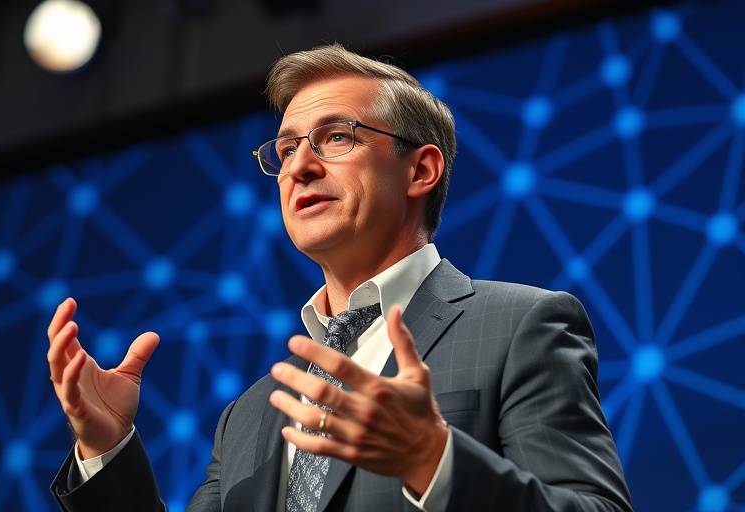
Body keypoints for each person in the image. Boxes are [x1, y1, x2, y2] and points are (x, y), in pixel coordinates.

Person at [47, 43, 633, 511]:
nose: (299, 165)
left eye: (336, 137)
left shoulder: (519, 325)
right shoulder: (250, 414)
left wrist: (434, 459)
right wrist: (106, 448)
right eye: (285, 148)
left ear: (421, 170)